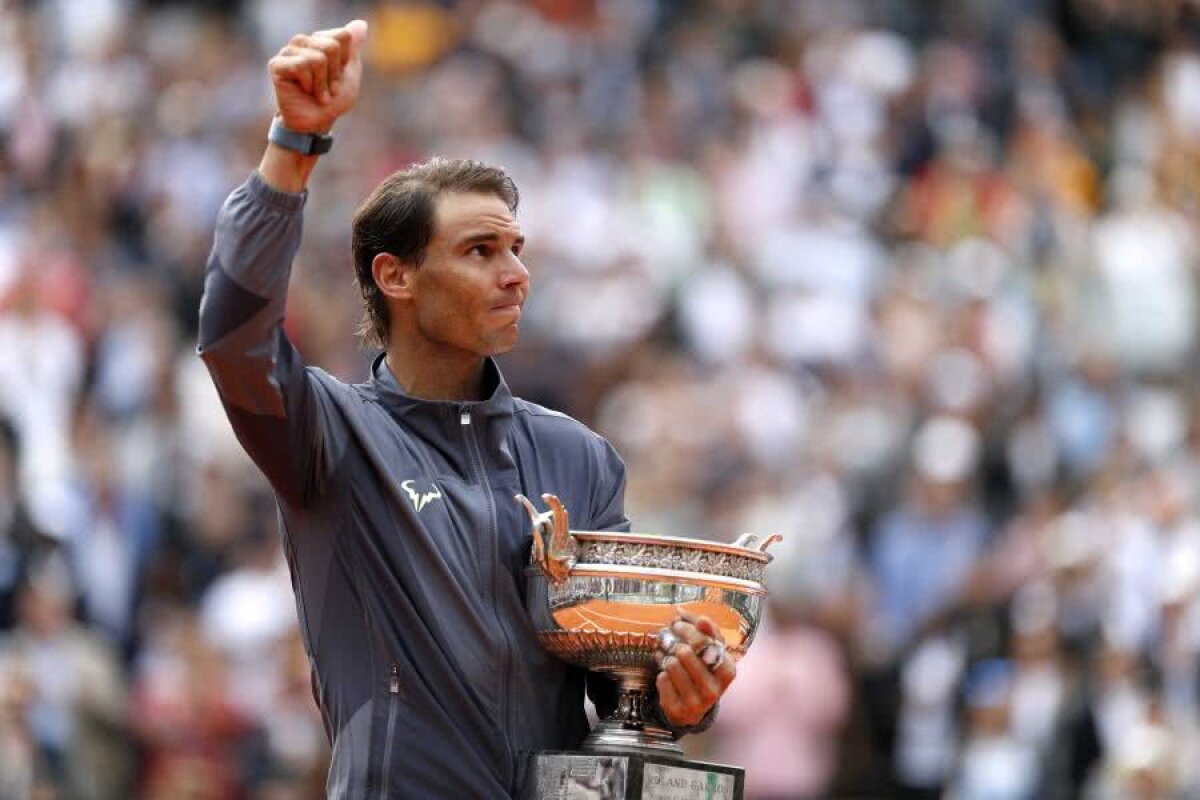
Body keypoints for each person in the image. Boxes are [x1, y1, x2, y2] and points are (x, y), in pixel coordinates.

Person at [196, 19, 734, 798]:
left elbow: (620, 694)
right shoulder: (331, 435)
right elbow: (232, 340)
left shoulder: (579, 456)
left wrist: (676, 697)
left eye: (517, 249)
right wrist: (294, 146)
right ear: (396, 277)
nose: (516, 273)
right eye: (480, 251)